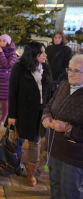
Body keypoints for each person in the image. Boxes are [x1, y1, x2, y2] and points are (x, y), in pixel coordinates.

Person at [6, 41, 53, 186]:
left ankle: (31, 173)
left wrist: (50, 111)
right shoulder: (19, 68)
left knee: (35, 143)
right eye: (42, 52)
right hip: (22, 113)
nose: (45, 55)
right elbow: (13, 93)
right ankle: (11, 165)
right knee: (16, 142)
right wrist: (12, 115)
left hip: (39, 114)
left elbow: (50, 92)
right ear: (34, 54)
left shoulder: (45, 68)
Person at [42, 55, 83, 198]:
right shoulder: (65, 85)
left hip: (74, 156)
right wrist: (46, 117)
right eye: (70, 69)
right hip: (54, 149)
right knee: (55, 187)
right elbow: (49, 105)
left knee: (69, 193)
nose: (71, 73)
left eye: (77, 71)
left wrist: (67, 128)